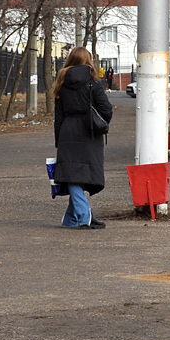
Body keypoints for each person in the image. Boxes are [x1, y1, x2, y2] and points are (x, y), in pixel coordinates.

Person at [52, 46, 112, 229]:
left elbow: (59, 116)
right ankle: (85, 216)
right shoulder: (93, 81)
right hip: (89, 131)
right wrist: (100, 122)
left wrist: (58, 141)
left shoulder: (62, 82)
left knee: (73, 173)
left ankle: (71, 219)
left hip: (68, 130)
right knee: (78, 174)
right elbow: (106, 109)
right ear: (88, 60)